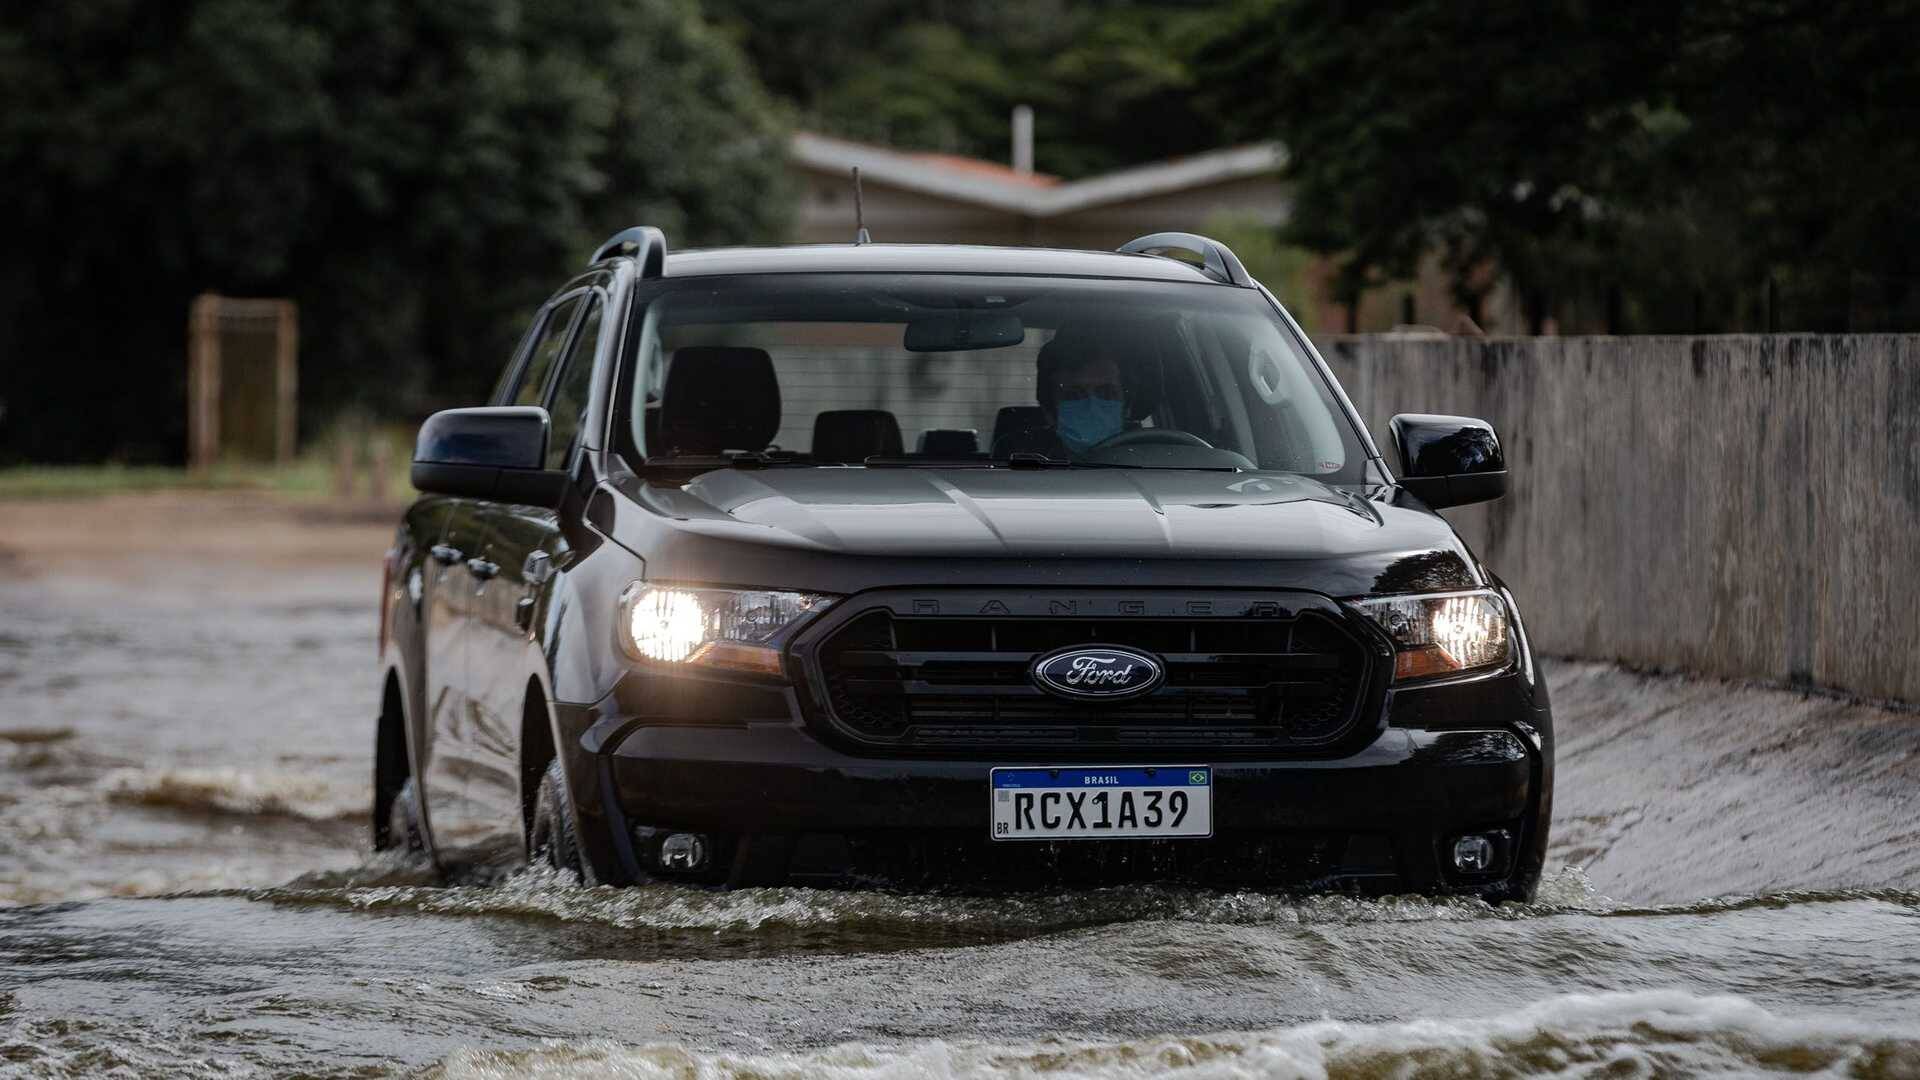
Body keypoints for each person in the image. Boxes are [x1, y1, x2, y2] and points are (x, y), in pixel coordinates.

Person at [993, 328, 1138, 458]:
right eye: (1075, 396)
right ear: (1049, 412)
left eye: (1106, 394)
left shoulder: (1154, 461)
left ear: (1127, 407)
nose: (1092, 407)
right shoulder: (1022, 477)